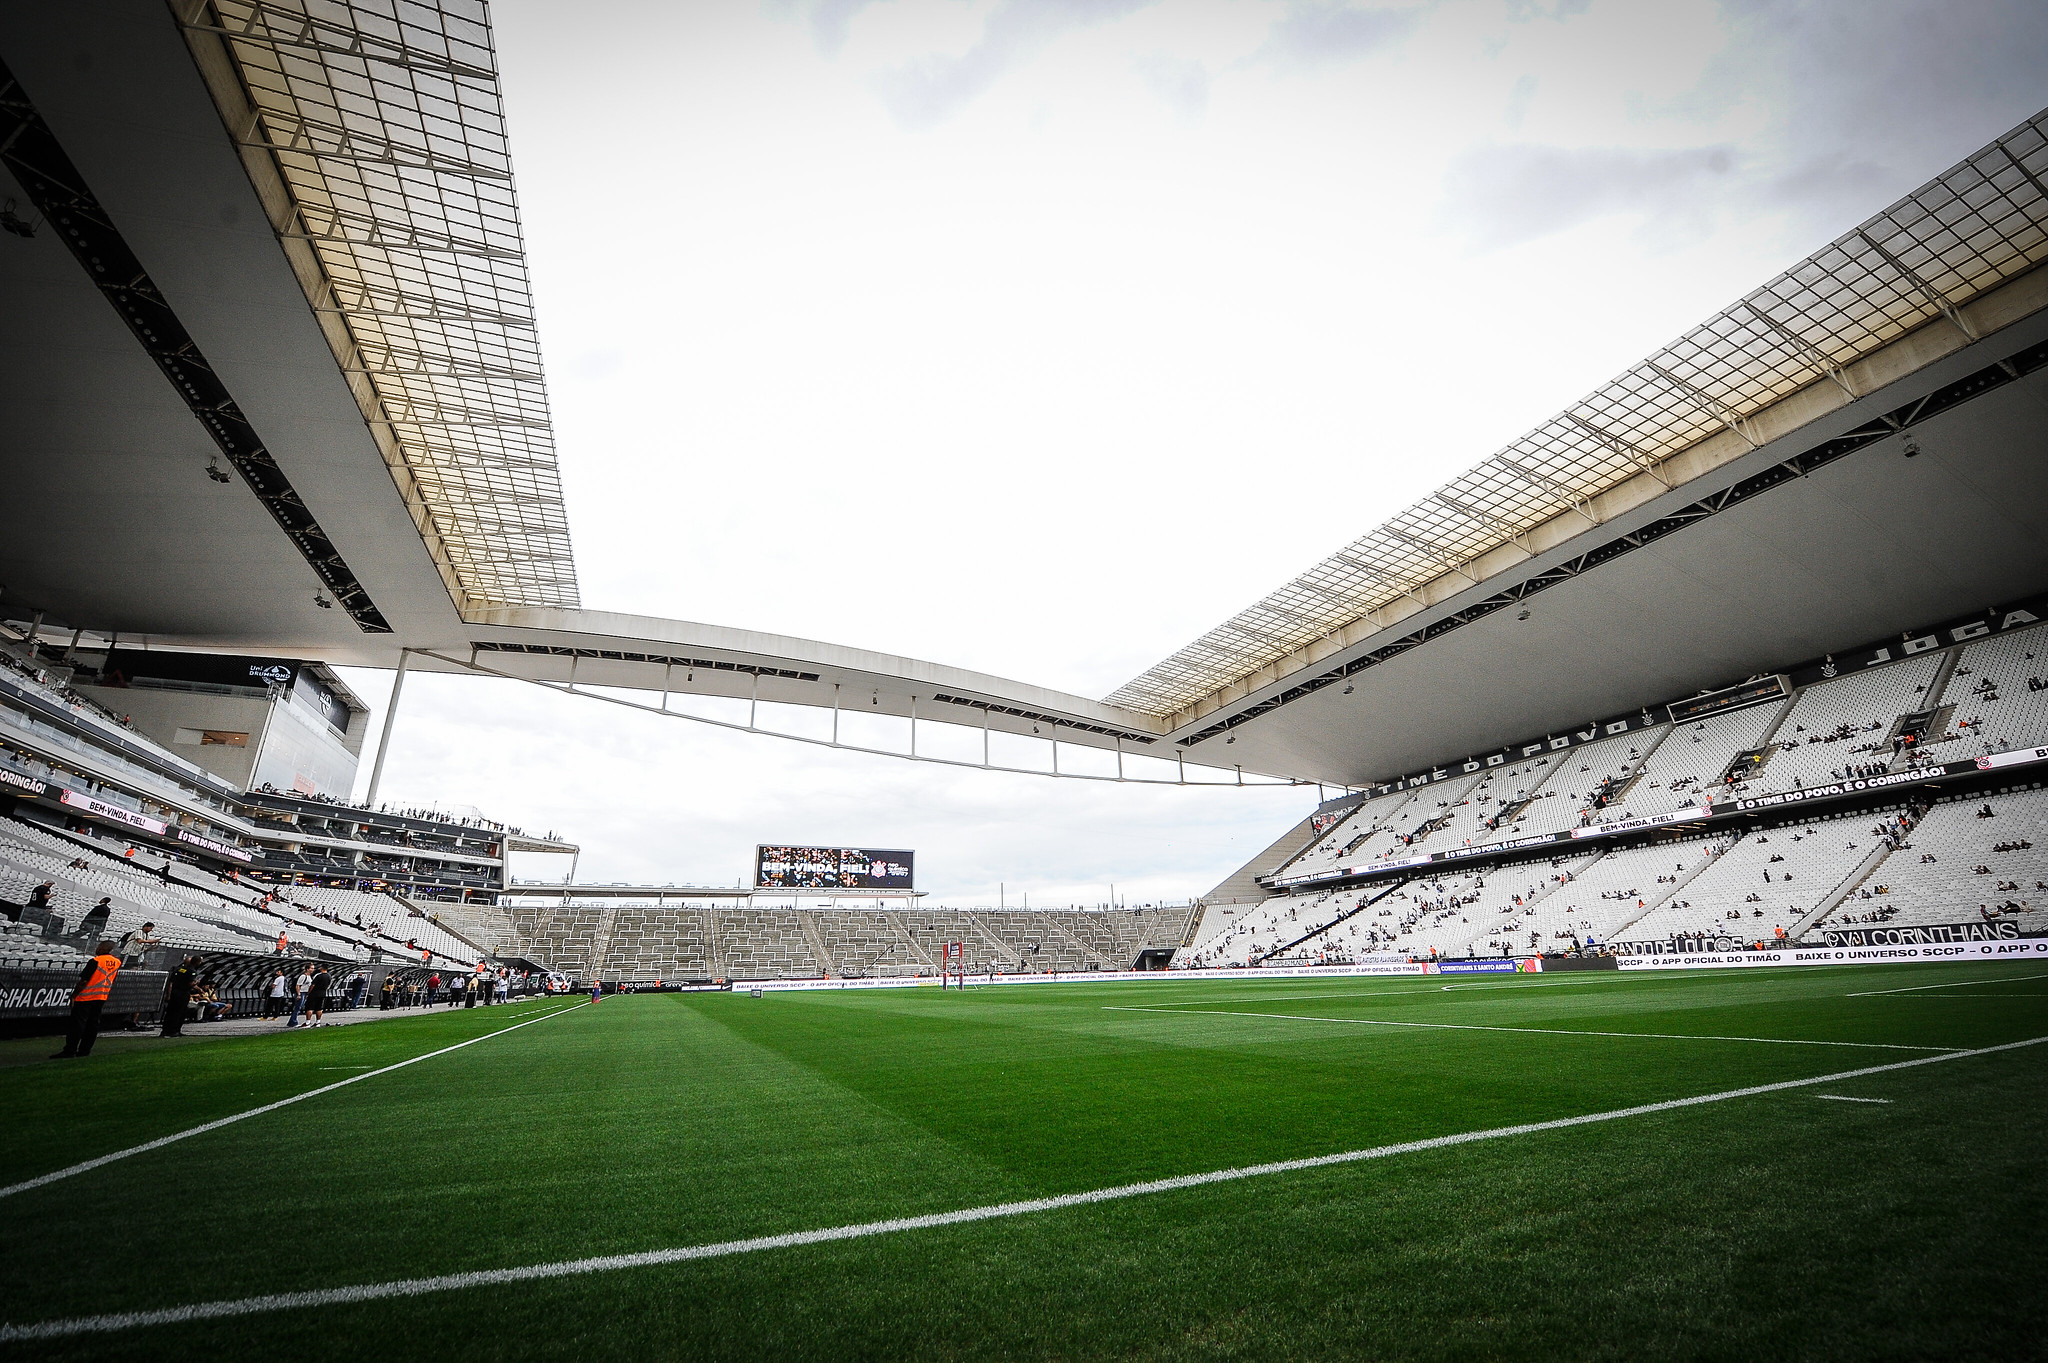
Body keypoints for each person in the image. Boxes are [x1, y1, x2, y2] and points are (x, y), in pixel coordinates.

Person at [50, 940, 122, 1059]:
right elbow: (113, 979)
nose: (97, 948)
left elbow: (84, 981)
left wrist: (74, 995)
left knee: (77, 1024)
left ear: (103, 948)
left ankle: (70, 1050)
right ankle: (85, 1050)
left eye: (99, 946)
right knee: (93, 1024)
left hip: (86, 996)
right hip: (102, 996)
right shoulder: (117, 962)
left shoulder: (95, 961)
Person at [160, 954, 198, 1037]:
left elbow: (171, 983)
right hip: (183, 993)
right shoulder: (191, 971)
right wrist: (195, 983)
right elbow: (190, 983)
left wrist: (169, 994)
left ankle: (166, 1031)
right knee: (179, 1012)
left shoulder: (178, 970)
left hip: (174, 993)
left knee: (171, 1012)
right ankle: (174, 1031)